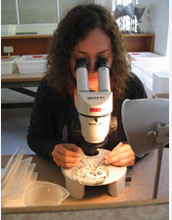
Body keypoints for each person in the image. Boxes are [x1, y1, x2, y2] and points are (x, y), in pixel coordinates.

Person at [27, 4, 147, 168]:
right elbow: (35, 138)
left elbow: (149, 137)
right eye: (80, 59)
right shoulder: (50, 88)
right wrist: (53, 150)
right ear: (66, 55)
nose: (91, 70)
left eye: (102, 59)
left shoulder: (131, 86)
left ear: (114, 54)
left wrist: (135, 150)